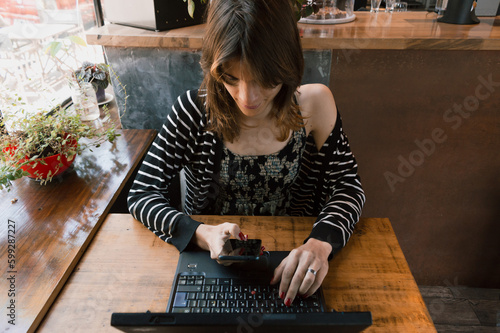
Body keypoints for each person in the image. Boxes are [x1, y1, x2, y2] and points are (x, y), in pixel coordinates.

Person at [128, 0, 365, 307]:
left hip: (292, 264)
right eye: (231, 78)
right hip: (211, 266)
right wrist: (202, 233)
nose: (247, 97)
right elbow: (141, 194)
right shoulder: (192, 111)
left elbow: (348, 188)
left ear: (288, 63)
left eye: (264, 80)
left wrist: (320, 244)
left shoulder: (315, 106)